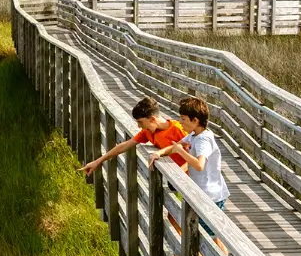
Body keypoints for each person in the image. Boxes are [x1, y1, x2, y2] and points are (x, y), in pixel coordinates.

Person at [149, 96, 228, 235]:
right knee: (210, 238)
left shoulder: (203, 139)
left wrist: (181, 152)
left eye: (183, 118)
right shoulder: (193, 135)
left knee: (206, 239)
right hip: (202, 193)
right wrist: (159, 154)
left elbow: (199, 165)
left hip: (211, 197)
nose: (180, 121)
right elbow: (176, 146)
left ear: (195, 120)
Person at [80, 96, 188, 176]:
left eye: (140, 122)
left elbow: (200, 156)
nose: (139, 126)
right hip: (178, 176)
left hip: (193, 177)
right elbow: (125, 145)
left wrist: (182, 174)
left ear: (152, 119)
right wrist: (97, 161)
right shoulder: (148, 131)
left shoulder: (179, 129)